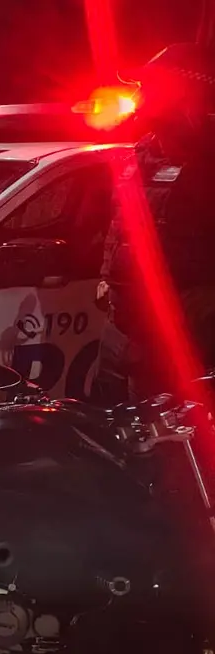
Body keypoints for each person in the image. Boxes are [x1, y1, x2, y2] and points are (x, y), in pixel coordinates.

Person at [93, 42, 215, 404]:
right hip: (123, 325)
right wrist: (106, 274)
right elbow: (121, 219)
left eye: (149, 87)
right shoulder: (143, 151)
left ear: (183, 93)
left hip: (181, 334)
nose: (138, 97)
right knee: (112, 419)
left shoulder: (208, 157)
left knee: (172, 428)